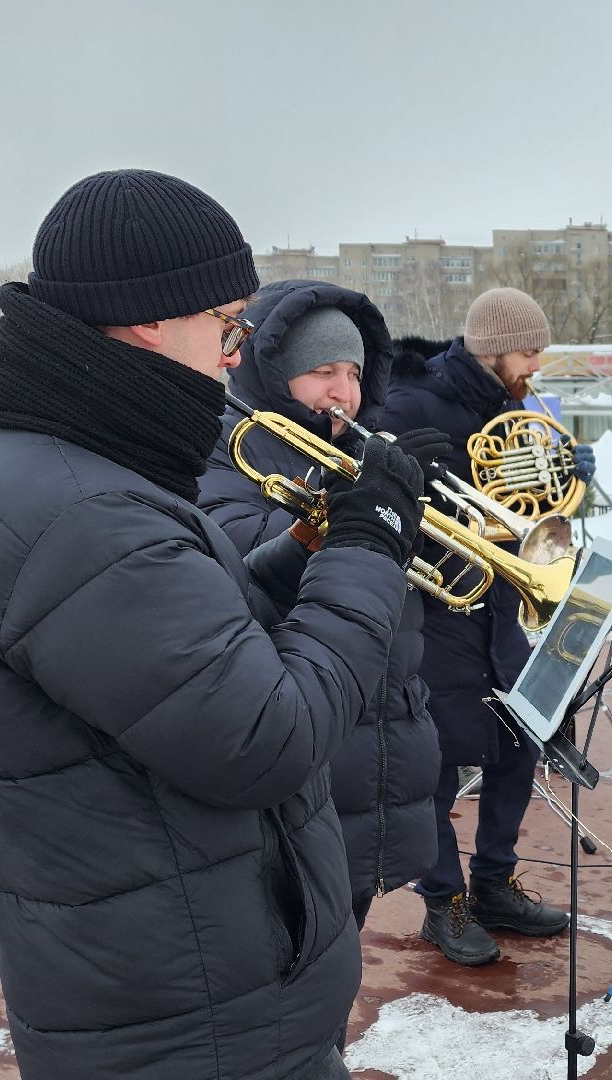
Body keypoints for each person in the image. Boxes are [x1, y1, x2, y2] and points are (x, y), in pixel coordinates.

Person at [0, 169, 424, 1080]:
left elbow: (196, 648)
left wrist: (314, 545)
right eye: (227, 326)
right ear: (154, 320)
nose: (234, 356)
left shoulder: (65, 449)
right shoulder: (79, 506)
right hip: (190, 1020)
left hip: (196, 984)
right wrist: (372, 545)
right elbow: (266, 736)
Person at [198, 277, 453, 930]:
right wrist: (344, 509)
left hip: (379, 742)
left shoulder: (359, 449)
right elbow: (243, 570)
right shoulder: (226, 451)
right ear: (274, 372)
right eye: (322, 372)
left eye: (353, 373)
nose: (345, 392)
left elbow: (415, 587)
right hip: (304, 746)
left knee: (339, 962)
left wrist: (423, 510)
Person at [377, 287, 596, 966]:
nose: (536, 366)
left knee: (520, 742)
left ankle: (494, 883)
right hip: (437, 607)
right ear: (495, 347)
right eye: (529, 352)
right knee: (438, 763)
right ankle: (443, 903)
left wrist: (562, 476)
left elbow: (521, 502)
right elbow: (368, 489)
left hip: (501, 598)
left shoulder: (511, 404)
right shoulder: (411, 402)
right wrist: (404, 473)